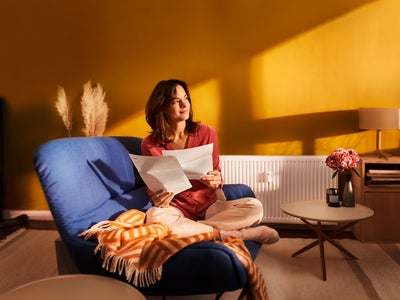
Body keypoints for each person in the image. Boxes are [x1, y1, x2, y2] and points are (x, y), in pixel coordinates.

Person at [141, 79, 279, 245]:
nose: (184, 105)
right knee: (154, 216)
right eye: (176, 101)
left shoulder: (206, 133)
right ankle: (232, 234)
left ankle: (192, 230)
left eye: (186, 98)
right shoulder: (149, 144)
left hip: (210, 206)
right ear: (162, 107)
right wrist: (158, 198)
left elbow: (216, 172)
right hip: (176, 208)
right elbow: (153, 187)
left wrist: (216, 181)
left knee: (254, 207)